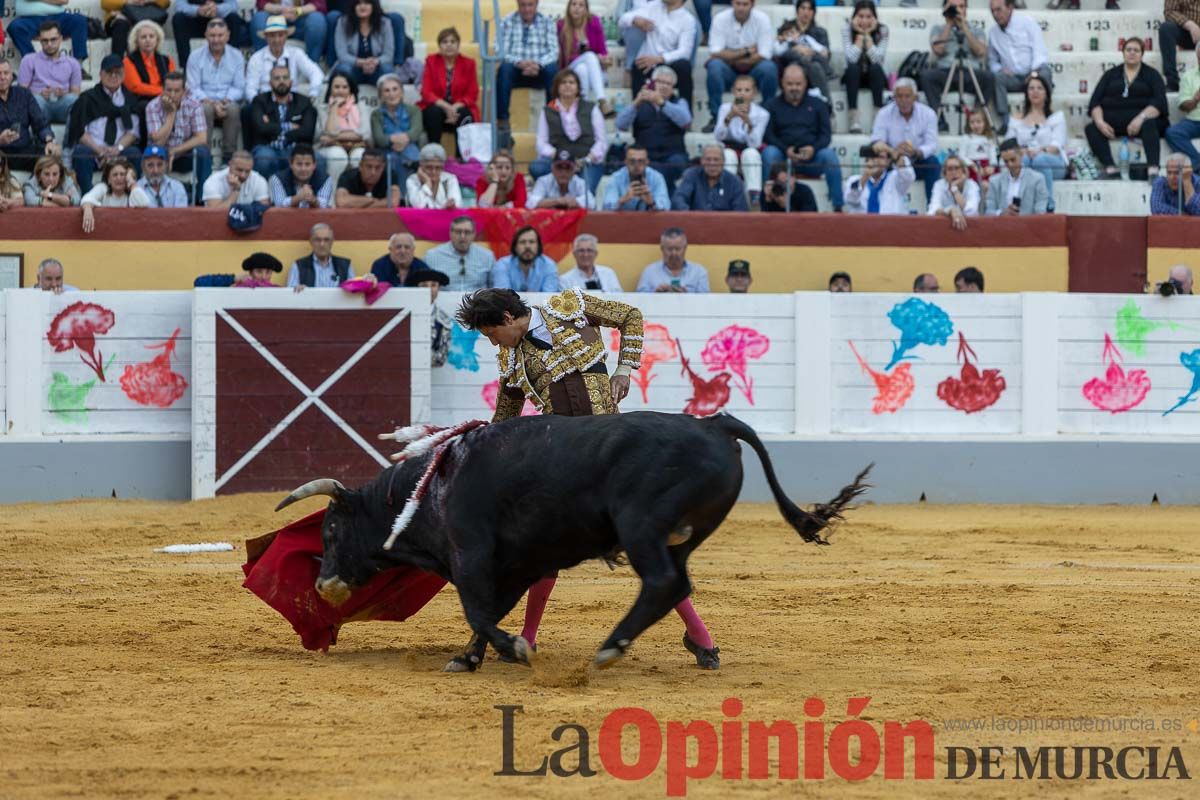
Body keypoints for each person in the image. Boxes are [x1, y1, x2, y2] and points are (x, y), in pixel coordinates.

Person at [454, 286, 723, 670]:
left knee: (646, 540)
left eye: (491, 332)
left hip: (613, 453)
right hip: (564, 463)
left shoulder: (569, 307)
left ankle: (699, 635)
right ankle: (528, 638)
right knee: (543, 544)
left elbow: (630, 316)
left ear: (508, 318)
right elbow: (505, 418)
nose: (492, 341)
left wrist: (625, 368)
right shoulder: (512, 359)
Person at [762, 64, 843, 212]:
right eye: (790, 84)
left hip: (812, 159)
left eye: (798, 84)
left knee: (829, 156)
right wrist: (785, 150)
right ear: (782, 84)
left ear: (805, 83)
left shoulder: (819, 105)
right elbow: (768, 135)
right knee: (769, 153)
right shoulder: (771, 105)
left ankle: (838, 206)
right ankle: (767, 200)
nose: (794, 88)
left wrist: (813, 148)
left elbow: (826, 136)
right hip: (783, 161)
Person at [1086, 38, 1168, 181]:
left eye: (1136, 50)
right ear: (1123, 52)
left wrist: (1141, 118)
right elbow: (1095, 102)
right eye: (1128, 49)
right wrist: (1100, 122)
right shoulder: (1110, 74)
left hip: (1144, 122)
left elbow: (1159, 103)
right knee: (1091, 128)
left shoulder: (1152, 74)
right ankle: (1111, 169)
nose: (1132, 53)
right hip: (1114, 124)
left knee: (1150, 123)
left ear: (1142, 54)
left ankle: (1153, 170)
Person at [67, 55, 143, 193]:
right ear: (101, 74)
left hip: (119, 151)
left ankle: (131, 195)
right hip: (94, 151)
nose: (114, 76)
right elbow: (80, 132)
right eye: (109, 72)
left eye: (118, 72)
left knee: (135, 153)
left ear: (124, 74)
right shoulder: (87, 98)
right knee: (80, 152)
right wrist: (100, 151)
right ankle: (87, 196)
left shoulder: (130, 99)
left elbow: (133, 133)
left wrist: (116, 149)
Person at [614, 64, 691, 191]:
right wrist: (636, 104)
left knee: (668, 167)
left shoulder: (679, 102)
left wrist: (662, 103)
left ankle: (659, 203)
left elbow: (686, 121)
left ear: (673, 88)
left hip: (673, 154)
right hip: (645, 155)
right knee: (646, 166)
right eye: (661, 82)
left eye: (669, 84)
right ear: (653, 83)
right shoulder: (640, 103)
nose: (664, 86)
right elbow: (620, 125)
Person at [703, 0, 776, 133]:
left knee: (769, 68)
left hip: (753, 69)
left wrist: (731, 56)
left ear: (752, 5)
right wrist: (746, 52)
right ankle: (715, 116)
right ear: (732, 3)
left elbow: (765, 53)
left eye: (745, 4)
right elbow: (714, 52)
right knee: (714, 66)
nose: (741, 8)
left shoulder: (762, 19)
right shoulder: (720, 18)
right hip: (729, 69)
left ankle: (768, 115)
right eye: (738, 3)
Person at [922, 0, 993, 133]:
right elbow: (938, 49)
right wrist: (949, 24)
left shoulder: (976, 30)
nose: (958, 11)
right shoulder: (937, 29)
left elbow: (980, 51)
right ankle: (940, 121)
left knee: (988, 77)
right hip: (946, 72)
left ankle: (977, 120)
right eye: (954, 7)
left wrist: (964, 28)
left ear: (966, 9)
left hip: (970, 72)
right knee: (927, 76)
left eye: (962, 6)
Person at [531, 69, 607, 194]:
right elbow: (541, 142)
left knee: (586, 193)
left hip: (586, 161)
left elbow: (601, 141)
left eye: (571, 82)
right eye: (563, 82)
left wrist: (587, 159)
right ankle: (555, 195)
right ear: (557, 87)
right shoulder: (548, 110)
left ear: (578, 87)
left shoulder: (591, 108)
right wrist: (559, 157)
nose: (567, 85)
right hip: (558, 161)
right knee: (536, 167)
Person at [187, 18, 246, 165]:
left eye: (220, 35)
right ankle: (205, 156)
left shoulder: (237, 56)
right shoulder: (195, 56)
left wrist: (225, 100)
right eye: (212, 35)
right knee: (204, 109)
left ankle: (228, 158)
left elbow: (240, 87)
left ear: (228, 36)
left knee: (233, 109)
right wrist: (212, 102)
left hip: (227, 102)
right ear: (206, 35)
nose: (216, 40)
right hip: (205, 102)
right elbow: (192, 87)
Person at [870, 78, 940, 202]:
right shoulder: (884, 113)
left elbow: (932, 144)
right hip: (892, 161)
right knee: (877, 162)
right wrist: (893, 151)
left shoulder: (928, 114)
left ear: (915, 97)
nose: (903, 101)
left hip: (917, 160)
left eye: (907, 96)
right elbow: (877, 141)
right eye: (899, 96)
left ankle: (933, 207)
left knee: (933, 163)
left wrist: (916, 151)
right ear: (894, 97)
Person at [619, 0, 696, 109]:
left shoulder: (688, 20)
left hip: (670, 65)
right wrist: (635, 20)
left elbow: (685, 51)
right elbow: (622, 19)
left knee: (684, 66)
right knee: (638, 65)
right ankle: (639, 117)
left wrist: (660, 59)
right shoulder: (654, 7)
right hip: (650, 65)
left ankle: (686, 118)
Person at [987, 0, 1051, 131]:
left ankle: (1044, 115)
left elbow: (1040, 51)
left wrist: (1033, 74)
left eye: (998, 10)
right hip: (1013, 77)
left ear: (1010, 7)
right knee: (996, 77)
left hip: (1033, 72)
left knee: (1046, 72)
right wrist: (1000, 69)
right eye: (992, 11)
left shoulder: (1027, 22)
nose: (995, 14)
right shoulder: (993, 33)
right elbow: (992, 60)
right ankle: (1006, 122)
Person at [496, 0, 560, 130]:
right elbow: (501, 50)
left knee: (553, 70)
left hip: (540, 70)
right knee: (504, 69)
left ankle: (553, 117)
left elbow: (554, 51)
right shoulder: (507, 21)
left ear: (536, 4)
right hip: (516, 70)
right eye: (523, 5)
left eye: (530, 5)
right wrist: (519, 62)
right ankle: (503, 120)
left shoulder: (547, 22)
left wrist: (538, 64)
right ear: (517, 4)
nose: (526, 9)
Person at [245, 64, 318, 177]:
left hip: (295, 147)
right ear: (270, 83)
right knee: (265, 159)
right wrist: (290, 126)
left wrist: (271, 126)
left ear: (291, 82)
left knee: (318, 159)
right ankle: (264, 193)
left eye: (285, 78)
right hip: (267, 146)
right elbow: (260, 128)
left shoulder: (304, 102)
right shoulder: (260, 101)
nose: (281, 81)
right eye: (277, 78)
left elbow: (308, 131)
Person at [145, 70, 212, 193]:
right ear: (162, 89)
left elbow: (201, 138)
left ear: (184, 91)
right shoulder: (152, 107)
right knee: (151, 152)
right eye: (169, 90)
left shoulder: (194, 105)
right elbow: (158, 142)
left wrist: (175, 151)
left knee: (203, 151)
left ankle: (202, 199)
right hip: (160, 155)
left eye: (177, 91)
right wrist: (171, 114)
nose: (172, 95)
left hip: (183, 153)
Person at [419, 27, 481, 158]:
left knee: (465, 113)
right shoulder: (431, 61)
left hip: (458, 108)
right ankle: (434, 155)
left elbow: (472, 94)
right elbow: (426, 92)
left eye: (453, 41)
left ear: (458, 45)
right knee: (433, 112)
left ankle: (461, 158)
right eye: (445, 42)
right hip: (439, 108)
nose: (449, 45)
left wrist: (454, 107)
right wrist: (447, 107)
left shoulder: (469, 63)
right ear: (439, 46)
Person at [1007, 74, 1065, 209]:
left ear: (1046, 93)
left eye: (1039, 88)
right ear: (1027, 93)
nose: (1035, 91)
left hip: (1053, 163)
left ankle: (1047, 204)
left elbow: (1057, 145)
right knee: (1024, 160)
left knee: (1039, 160)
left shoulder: (1056, 117)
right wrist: (1023, 151)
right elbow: (1009, 144)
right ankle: (1020, 204)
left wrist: (1040, 151)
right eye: (1031, 88)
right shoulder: (1017, 119)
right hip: (1027, 160)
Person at [713, 74, 769, 202]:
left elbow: (755, 143)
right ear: (733, 91)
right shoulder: (725, 108)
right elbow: (717, 136)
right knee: (728, 155)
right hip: (729, 146)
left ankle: (754, 195)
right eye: (739, 90)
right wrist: (729, 117)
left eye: (747, 90)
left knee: (751, 154)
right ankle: (727, 195)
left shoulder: (762, 114)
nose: (742, 94)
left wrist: (748, 123)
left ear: (754, 93)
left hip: (748, 147)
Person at [245, 15, 326, 101]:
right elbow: (251, 88)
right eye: (272, 36)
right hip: (266, 102)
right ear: (266, 37)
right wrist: (259, 107)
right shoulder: (256, 58)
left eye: (280, 35)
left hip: (291, 102)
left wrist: (313, 94)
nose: (276, 40)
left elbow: (316, 73)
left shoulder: (296, 53)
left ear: (286, 36)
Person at [17, 20, 81, 124]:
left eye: (53, 39)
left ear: (61, 39)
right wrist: (39, 94)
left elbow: (75, 93)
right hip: (40, 104)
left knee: (75, 101)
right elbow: (21, 93)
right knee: (35, 101)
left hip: (62, 104)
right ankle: (41, 139)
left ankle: (69, 140)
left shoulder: (73, 63)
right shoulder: (29, 60)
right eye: (45, 41)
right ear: (39, 41)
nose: (49, 44)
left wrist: (63, 93)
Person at [0, 60, 57, 169]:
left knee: (49, 158)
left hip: (23, 150)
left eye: (6, 73)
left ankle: (31, 185)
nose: (2, 77)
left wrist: (49, 141)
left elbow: (41, 123)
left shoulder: (24, 94)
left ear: (12, 76)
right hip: (1, 153)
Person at [841, 0, 888, 134]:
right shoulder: (846, 29)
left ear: (875, 18)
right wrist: (860, 37)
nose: (864, 21)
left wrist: (868, 37)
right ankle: (853, 117)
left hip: (874, 76)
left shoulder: (883, 30)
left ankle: (878, 116)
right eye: (860, 16)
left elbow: (877, 59)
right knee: (852, 68)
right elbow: (851, 58)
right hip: (854, 77)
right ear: (854, 17)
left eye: (868, 17)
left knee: (876, 68)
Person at [557, 0, 612, 110]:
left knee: (583, 69)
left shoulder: (594, 22)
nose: (577, 8)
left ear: (586, 10)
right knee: (589, 56)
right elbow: (562, 58)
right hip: (570, 69)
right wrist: (584, 55)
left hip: (594, 72)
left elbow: (603, 51)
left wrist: (603, 59)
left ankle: (583, 108)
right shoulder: (561, 25)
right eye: (574, 4)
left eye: (581, 5)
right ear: (568, 7)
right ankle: (602, 100)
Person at [775, 0, 832, 103]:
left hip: (814, 68)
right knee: (794, 61)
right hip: (792, 66)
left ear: (814, 12)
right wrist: (796, 49)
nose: (806, 12)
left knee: (815, 66)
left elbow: (826, 55)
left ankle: (828, 107)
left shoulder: (820, 32)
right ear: (797, 10)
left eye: (809, 9)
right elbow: (780, 51)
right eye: (803, 8)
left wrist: (810, 51)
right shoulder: (786, 28)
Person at [371, 73, 423, 187]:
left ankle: (405, 197)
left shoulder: (414, 110)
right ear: (381, 95)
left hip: (409, 147)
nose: (391, 94)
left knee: (409, 152)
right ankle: (401, 197)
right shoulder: (376, 114)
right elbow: (379, 138)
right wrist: (394, 140)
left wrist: (401, 140)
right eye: (387, 91)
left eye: (395, 89)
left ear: (402, 92)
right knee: (393, 158)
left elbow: (416, 131)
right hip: (387, 150)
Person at [317, 72, 369, 183]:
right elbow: (329, 132)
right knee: (337, 155)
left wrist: (335, 138)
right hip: (329, 148)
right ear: (330, 89)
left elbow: (363, 133)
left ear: (351, 89)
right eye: (336, 87)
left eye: (345, 87)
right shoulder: (322, 108)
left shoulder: (360, 107)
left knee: (359, 156)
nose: (340, 91)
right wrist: (334, 107)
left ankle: (356, 194)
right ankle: (332, 194)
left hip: (356, 146)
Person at [7, 1, 91, 69]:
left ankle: (78, 66)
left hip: (57, 17)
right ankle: (35, 65)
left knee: (79, 20)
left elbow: (64, 0)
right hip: (30, 19)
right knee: (15, 27)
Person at [423, 215, 496, 291]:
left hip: (477, 301)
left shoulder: (487, 256)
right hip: (444, 301)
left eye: (467, 232)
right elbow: (423, 288)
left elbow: (494, 288)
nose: (462, 236)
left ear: (474, 234)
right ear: (450, 233)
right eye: (458, 232)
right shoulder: (432, 256)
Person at [671, 143, 750, 211]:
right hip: (695, 224)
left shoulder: (734, 181)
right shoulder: (691, 175)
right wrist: (689, 216)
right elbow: (679, 198)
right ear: (702, 161)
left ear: (723, 161)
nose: (712, 163)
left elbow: (740, 210)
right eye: (708, 159)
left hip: (725, 225)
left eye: (716, 160)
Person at [332, 0, 393, 85]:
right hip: (353, 68)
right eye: (358, 3)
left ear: (373, 6)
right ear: (353, 6)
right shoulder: (343, 22)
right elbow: (342, 54)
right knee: (343, 68)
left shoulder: (384, 23)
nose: (362, 7)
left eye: (367, 3)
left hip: (376, 68)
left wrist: (375, 62)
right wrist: (361, 62)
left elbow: (388, 55)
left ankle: (388, 97)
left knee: (387, 69)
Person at [173, 0, 245, 72]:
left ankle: (232, 63)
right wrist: (197, 10)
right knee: (178, 18)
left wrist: (217, 9)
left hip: (217, 20)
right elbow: (179, 6)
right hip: (194, 20)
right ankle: (186, 66)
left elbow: (233, 5)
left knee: (234, 18)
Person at [81, 159, 149, 233]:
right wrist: (87, 207)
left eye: (122, 174)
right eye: (115, 175)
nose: (119, 178)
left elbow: (144, 203)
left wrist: (131, 182)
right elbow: (88, 197)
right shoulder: (103, 188)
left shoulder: (133, 192)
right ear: (109, 180)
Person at [250, 0, 328, 64]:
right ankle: (263, 65)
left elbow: (319, 4)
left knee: (317, 21)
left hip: (301, 20)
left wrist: (297, 11)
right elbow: (261, 3)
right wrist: (280, 11)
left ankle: (312, 64)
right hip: (274, 19)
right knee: (259, 19)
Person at [636, 227, 710, 293]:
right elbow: (639, 301)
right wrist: (655, 295)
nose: (674, 253)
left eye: (677, 249)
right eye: (669, 249)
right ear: (662, 248)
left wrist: (687, 297)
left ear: (685, 248)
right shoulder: (649, 272)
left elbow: (706, 303)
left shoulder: (699, 272)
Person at [986, 137, 1048, 215]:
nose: (1010, 164)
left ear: (1021, 155)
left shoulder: (1037, 179)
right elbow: (988, 211)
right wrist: (1001, 213)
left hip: (1029, 225)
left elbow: (1040, 211)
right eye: (1006, 161)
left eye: (1013, 160)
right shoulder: (994, 181)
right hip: (1002, 225)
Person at [844, 148, 915, 215]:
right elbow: (851, 199)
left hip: (890, 226)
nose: (876, 160)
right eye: (873, 156)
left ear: (888, 161)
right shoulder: (854, 180)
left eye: (881, 157)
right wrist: (866, 176)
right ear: (867, 159)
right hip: (863, 226)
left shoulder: (895, 177)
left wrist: (891, 151)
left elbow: (908, 176)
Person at [406, 268, 454, 367]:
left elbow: (441, 358)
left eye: (433, 285)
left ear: (438, 288)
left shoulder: (443, 320)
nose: (429, 289)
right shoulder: (406, 314)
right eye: (424, 285)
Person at [491, 226, 562, 292]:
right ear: (515, 247)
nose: (527, 246)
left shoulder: (549, 265)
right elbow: (502, 297)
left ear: (538, 246)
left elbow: (549, 297)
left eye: (532, 242)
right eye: (522, 242)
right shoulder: (503, 265)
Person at [602, 144, 670, 211]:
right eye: (632, 161)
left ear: (647, 162)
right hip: (623, 221)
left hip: (650, 221)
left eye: (641, 161)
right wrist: (623, 200)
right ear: (625, 162)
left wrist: (652, 202)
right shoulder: (616, 178)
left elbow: (666, 207)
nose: (636, 165)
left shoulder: (656, 178)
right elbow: (606, 207)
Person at [123, 20, 176, 105]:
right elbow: (136, 87)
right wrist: (163, 91)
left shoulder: (167, 60)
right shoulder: (128, 61)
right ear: (136, 41)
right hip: (141, 101)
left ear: (157, 39)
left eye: (151, 36)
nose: (148, 40)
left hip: (166, 98)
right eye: (143, 37)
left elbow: (174, 82)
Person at [287, 223, 356, 288]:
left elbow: (353, 292)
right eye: (317, 240)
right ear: (311, 241)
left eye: (326, 240)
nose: (322, 244)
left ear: (332, 242)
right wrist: (298, 291)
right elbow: (290, 294)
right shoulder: (298, 265)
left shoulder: (345, 265)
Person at [269, 142, 333, 207]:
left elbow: (324, 205)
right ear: (291, 164)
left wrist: (313, 200)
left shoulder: (325, 179)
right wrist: (298, 198)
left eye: (307, 164)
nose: (303, 169)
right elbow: (279, 205)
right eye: (299, 164)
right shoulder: (277, 178)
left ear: (314, 165)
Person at [1167, 45, 1200, 169]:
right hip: (1194, 121)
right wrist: (1196, 99)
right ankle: (1197, 162)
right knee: (1173, 132)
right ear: (1197, 57)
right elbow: (1183, 106)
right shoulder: (1188, 76)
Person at [103, 0, 170, 61]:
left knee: (146, 29)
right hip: (120, 19)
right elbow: (105, 3)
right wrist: (129, 2)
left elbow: (165, 2)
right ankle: (117, 64)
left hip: (143, 16)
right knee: (121, 23)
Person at [202, 150, 271, 207]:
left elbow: (263, 212)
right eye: (239, 170)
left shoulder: (259, 180)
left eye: (247, 171)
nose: (243, 175)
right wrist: (235, 191)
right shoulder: (213, 181)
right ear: (230, 164)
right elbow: (215, 215)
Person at [928, 155, 979, 231]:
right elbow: (932, 210)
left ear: (964, 171)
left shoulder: (972, 185)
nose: (954, 172)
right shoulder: (939, 185)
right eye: (950, 169)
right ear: (945, 174)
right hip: (943, 229)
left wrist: (954, 189)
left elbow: (971, 211)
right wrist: (951, 210)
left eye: (957, 168)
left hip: (969, 228)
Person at [335, 147, 399, 207]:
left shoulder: (390, 175)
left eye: (378, 167)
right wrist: (371, 200)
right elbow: (341, 202)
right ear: (360, 166)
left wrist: (359, 204)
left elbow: (394, 202)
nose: (373, 172)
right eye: (369, 167)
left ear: (383, 167)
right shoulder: (347, 176)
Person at [405, 142, 462, 209]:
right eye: (429, 167)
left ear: (443, 167)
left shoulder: (450, 179)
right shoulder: (412, 180)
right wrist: (427, 183)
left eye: (437, 168)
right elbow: (418, 206)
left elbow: (457, 205)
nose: (433, 172)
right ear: (421, 166)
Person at [529, 151, 593, 209]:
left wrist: (575, 202)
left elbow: (591, 203)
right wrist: (557, 201)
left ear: (574, 169)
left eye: (568, 168)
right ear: (552, 168)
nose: (563, 172)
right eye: (559, 167)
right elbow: (531, 203)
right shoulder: (543, 181)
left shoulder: (580, 182)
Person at [1161, 0, 1200, 92]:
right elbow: (1170, 12)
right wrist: (1190, 25)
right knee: (1166, 28)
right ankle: (1172, 82)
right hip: (1188, 34)